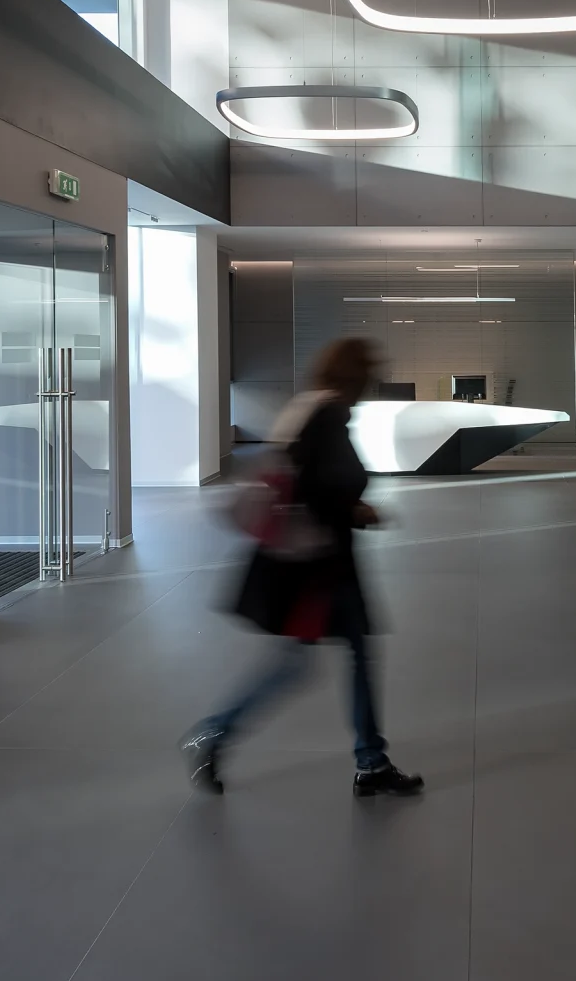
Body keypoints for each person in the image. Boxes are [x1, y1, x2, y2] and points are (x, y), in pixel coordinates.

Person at [181, 336, 423, 799]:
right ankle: (214, 732)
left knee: (345, 655)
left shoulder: (308, 407)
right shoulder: (329, 415)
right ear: (358, 375)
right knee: (303, 663)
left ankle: (370, 760)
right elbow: (321, 487)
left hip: (317, 562)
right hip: (319, 568)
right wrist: (357, 511)